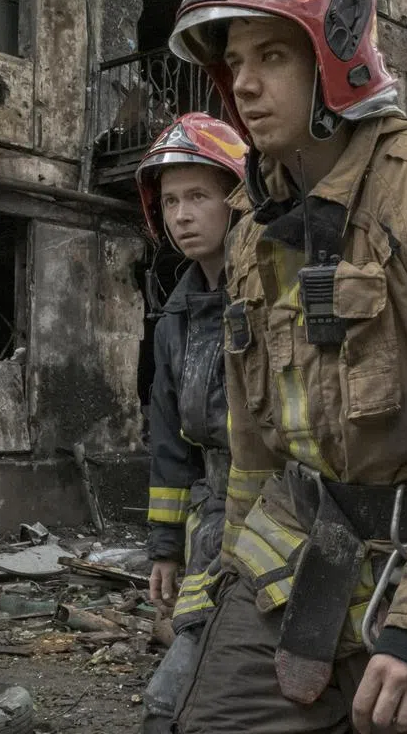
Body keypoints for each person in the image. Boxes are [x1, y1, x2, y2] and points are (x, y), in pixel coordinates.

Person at [168, 0, 407, 732]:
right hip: (290, 566)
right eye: (235, 61)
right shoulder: (252, 230)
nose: (244, 84)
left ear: (335, 58)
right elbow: (252, 448)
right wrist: (219, 580)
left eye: (272, 55)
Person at [134, 112, 247, 734]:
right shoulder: (175, 319)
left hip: (289, 516)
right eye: (171, 201)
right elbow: (171, 445)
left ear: (237, 201)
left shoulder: (275, 293)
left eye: (199, 196)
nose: (182, 216)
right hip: (214, 519)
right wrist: (165, 548)